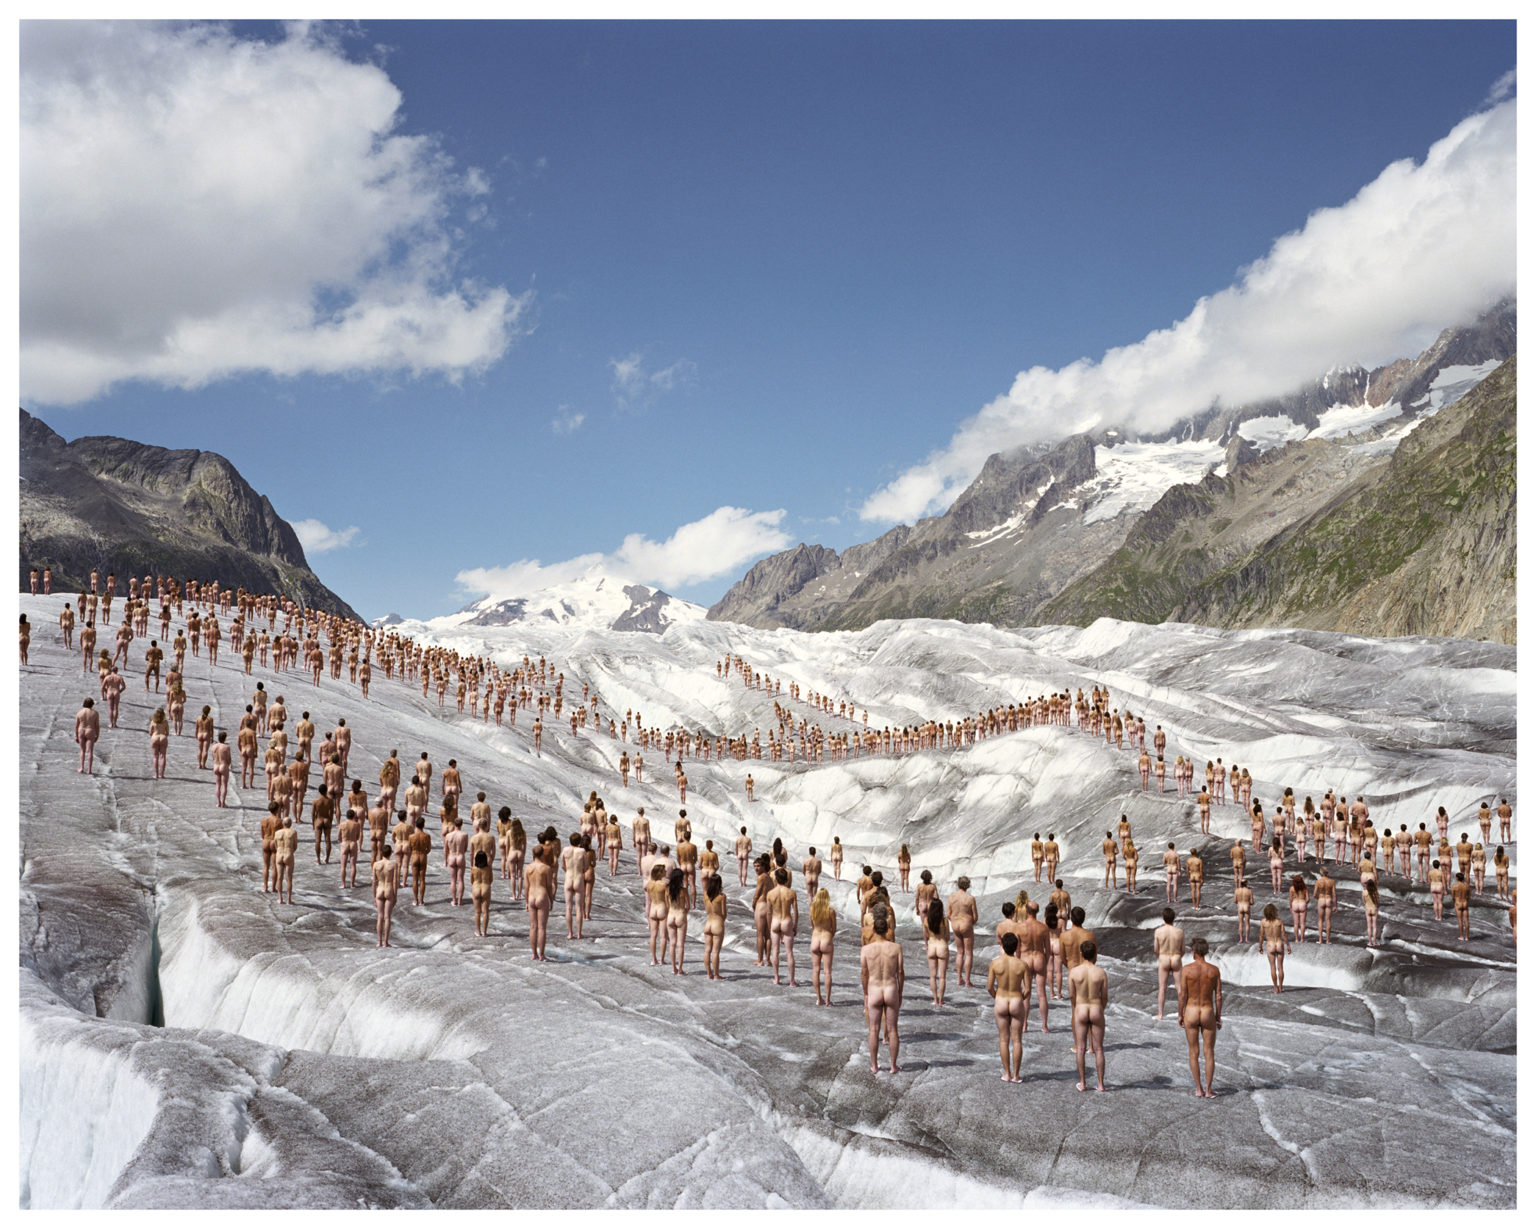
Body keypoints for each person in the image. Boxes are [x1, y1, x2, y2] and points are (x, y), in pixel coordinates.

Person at [860, 905, 904, 1074]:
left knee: (874, 1029)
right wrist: (900, 992)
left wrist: (865, 993)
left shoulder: (866, 949)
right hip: (890, 988)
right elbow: (900, 971)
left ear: (874, 930)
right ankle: (893, 1065)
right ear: (887, 930)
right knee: (893, 1029)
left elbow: (864, 973)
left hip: (874, 989)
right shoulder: (896, 947)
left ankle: (874, 1065)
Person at [1178, 936, 1222, 1097]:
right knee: (1209, 1051)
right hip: (1207, 1010)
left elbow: (1182, 994)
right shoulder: (1214, 970)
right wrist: (1218, 1016)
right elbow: (1218, 996)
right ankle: (1209, 1090)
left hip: (1191, 1010)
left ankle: (1199, 1088)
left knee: (1193, 1052)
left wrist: (1180, 1014)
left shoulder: (1187, 970)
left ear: (1194, 951)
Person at [986, 932, 1028, 1083]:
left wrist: (997, 996)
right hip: (1016, 1000)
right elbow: (1028, 990)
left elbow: (989, 987)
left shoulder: (995, 963)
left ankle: (1007, 1074)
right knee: (1017, 1040)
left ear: (1002, 945)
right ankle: (1016, 1075)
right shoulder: (1022, 965)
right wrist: (1019, 998)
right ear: (1016, 947)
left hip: (1001, 1000)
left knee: (1004, 1039)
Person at [1068, 940, 1109, 1093]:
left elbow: (1072, 994)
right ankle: (1101, 1084)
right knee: (1098, 1049)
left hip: (1081, 1007)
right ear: (1095, 954)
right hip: (1096, 1007)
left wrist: (1076, 1007)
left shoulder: (1074, 972)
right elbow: (1104, 996)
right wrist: (1101, 1008)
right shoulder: (1101, 973)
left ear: (1081, 953)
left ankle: (1083, 1082)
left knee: (1081, 1048)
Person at [767, 868, 799, 986]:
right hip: (786, 920)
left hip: (775, 921)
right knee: (789, 952)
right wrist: (795, 925)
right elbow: (795, 912)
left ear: (776, 878)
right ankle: (792, 981)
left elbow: (769, 912)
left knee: (775, 951)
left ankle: (776, 978)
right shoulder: (791, 893)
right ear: (786, 879)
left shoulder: (770, 893)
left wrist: (769, 925)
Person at [1153, 907, 1184, 1020]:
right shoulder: (1180, 932)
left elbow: (1156, 949)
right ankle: (1182, 1014)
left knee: (1162, 987)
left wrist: (1161, 956)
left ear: (1163, 918)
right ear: (1174, 918)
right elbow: (1183, 950)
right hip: (1176, 958)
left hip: (1164, 958)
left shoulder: (1158, 931)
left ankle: (1160, 1014)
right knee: (1179, 988)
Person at [947, 875, 977, 986]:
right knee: (968, 953)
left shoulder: (951, 897)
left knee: (960, 952)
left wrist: (954, 921)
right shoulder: (970, 898)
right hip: (966, 924)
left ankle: (959, 978)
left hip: (955, 925)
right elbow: (975, 916)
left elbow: (948, 914)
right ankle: (967, 981)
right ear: (968, 885)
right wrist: (970, 924)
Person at [525, 846, 553, 961]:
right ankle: (541, 954)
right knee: (541, 927)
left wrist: (526, 901)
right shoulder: (546, 868)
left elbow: (526, 886)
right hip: (541, 896)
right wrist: (551, 899)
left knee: (533, 927)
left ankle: (534, 953)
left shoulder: (528, 868)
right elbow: (549, 886)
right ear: (542, 854)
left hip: (531, 896)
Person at [809, 887, 835, 1004]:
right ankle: (828, 1000)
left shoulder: (812, 910)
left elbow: (813, 926)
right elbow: (833, 929)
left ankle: (819, 998)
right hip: (826, 939)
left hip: (815, 939)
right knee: (827, 971)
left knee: (815, 970)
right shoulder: (830, 911)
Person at [922, 899, 951, 1006]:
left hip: (931, 946)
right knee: (942, 976)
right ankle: (941, 1000)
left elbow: (926, 935)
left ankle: (935, 999)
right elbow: (947, 936)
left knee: (932, 976)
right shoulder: (944, 921)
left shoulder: (926, 920)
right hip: (942, 946)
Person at [372, 843, 399, 947]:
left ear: (381, 853)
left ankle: (379, 941)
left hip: (379, 890)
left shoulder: (376, 864)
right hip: (388, 890)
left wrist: (374, 896)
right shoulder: (393, 864)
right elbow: (395, 881)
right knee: (387, 917)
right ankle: (386, 942)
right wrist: (395, 896)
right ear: (391, 853)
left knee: (380, 916)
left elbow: (374, 882)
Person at [1259, 903, 1289, 993]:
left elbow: (1261, 935)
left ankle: (1275, 988)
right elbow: (1283, 934)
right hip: (1279, 944)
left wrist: (1260, 946)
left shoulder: (1263, 922)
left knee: (1273, 967)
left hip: (1270, 944)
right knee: (1280, 967)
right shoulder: (1279, 921)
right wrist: (1288, 945)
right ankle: (1280, 987)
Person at [703, 874, 728, 980]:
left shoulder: (705, 895)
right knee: (715, 951)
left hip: (708, 923)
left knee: (707, 950)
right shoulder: (722, 896)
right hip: (717, 923)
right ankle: (716, 974)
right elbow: (723, 913)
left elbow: (707, 910)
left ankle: (709, 973)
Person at [665, 868, 691, 973]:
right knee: (680, 944)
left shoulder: (667, 889)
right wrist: (684, 912)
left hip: (671, 916)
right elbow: (688, 906)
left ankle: (673, 968)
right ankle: (680, 969)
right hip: (680, 915)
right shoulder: (683, 890)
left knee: (672, 943)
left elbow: (667, 905)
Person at [644, 863, 670, 965]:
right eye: (664, 871)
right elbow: (668, 900)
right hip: (662, 908)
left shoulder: (649, 884)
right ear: (660, 873)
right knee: (663, 936)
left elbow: (648, 894)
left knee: (653, 935)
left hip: (653, 909)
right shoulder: (664, 885)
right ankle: (662, 960)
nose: (666, 872)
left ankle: (653, 959)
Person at [274, 816, 298, 905]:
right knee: (289, 878)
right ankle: (288, 899)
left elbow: (275, 845)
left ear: (282, 824)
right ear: (290, 824)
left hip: (279, 854)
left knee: (279, 877)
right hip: (288, 854)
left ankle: (280, 898)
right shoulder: (293, 832)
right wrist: (290, 852)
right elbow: (295, 846)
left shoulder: (277, 833)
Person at [74, 697, 100, 773]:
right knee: (90, 751)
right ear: (92, 704)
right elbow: (97, 726)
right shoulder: (95, 713)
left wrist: (76, 736)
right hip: (90, 730)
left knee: (82, 750)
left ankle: (81, 767)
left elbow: (76, 726)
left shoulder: (79, 712)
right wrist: (97, 735)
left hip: (81, 730)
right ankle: (89, 770)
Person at [1314, 867, 1337, 944]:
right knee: (1328, 920)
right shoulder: (1332, 881)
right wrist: (1335, 905)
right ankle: (1328, 940)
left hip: (1321, 899)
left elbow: (1314, 894)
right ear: (1327, 873)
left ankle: (1320, 940)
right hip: (1328, 899)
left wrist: (1319, 898)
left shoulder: (1318, 882)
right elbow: (1334, 894)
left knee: (1320, 920)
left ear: (1321, 873)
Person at [1288, 874, 1310, 943]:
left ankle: (1296, 939)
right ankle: (1302, 939)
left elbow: (1290, 899)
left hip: (1294, 903)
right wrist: (1304, 903)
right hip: (1302, 903)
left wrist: (1291, 907)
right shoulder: (1304, 888)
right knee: (1302, 923)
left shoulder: (1291, 888)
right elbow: (1308, 898)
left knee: (1296, 924)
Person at [1451, 873, 1473, 941]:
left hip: (1458, 903)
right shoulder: (1467, 886)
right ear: (1463, 878)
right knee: (1466, 920)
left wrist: (1455, 902)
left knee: (1460, 920)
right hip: (1465, 903)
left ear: (1457, 878)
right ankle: (1466, 937)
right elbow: (1469, 896)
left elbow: (1453, 897)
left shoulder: (1454, 886)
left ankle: (1461, 936)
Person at [1362, 878, 1381, 947]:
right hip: (1374, 909)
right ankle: (1374, 942)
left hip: (1367, 909)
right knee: (1375, 926)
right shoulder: (1375, 892)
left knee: (1369, 926)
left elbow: (1364, 902)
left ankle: (1370, 942)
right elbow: (1378, 902)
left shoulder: (1364, 892)